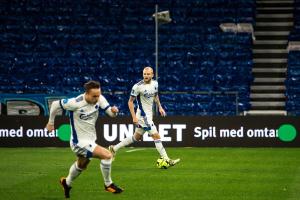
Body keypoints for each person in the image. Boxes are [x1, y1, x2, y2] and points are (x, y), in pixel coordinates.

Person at [45, 80, 123, 198]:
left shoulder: (100, 98)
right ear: (86, 93)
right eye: (94, 96)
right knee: (107, 155)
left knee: (82, 165)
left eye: (98, 95)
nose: (97, 98)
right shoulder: (75, 103)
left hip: (90, 140)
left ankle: (66, 182)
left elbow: (111, 115)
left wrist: (114, 112)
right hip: (79, 142)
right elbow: (55, 104)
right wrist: (51, 123)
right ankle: (108, 184)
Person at [109, 67, 180, 166]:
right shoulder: (137, 87)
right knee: (156, 136)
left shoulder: (155, 84)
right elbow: (130, 102)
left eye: (148, 74)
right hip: (143, 116)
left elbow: (155, 95)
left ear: (152, 75)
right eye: (144, 74)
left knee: (136, 137)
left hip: (148, 115)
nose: (146, 76)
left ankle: (114, 148)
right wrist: (134, 117)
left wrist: (160, 107)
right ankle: (167, 159)